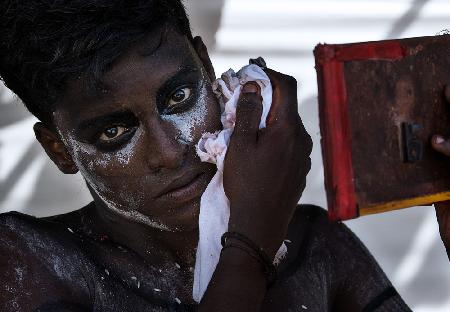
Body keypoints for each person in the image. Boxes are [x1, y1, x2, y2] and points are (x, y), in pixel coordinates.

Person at [0, 1, 447, 311]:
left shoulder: (315, 246)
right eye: (114, 131)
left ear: (205, 66)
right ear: (60, 148)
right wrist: (250, 240)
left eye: (178, 97)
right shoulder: (30, 262)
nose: (170, 152)